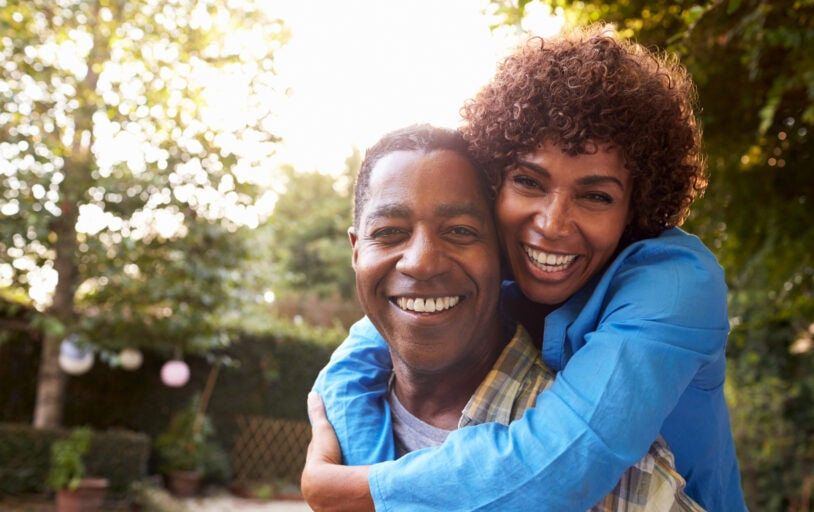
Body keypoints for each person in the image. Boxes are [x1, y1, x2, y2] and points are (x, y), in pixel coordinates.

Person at [303, 25, 747, 511]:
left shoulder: (676, 284)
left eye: (596, 196)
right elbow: (367, 348)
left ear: (636, 208)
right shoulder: (499, 256)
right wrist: (355, 464)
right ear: (497, 184)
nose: (553, 224)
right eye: (528, 181)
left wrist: (347, 492)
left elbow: (557, 466)